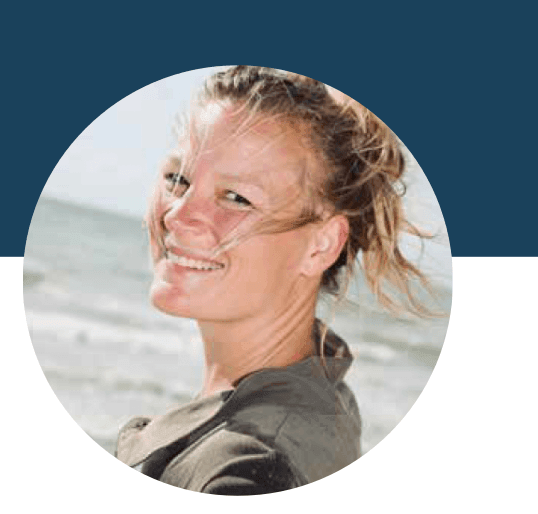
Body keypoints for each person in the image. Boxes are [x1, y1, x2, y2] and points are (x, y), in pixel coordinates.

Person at [115, 66, 431, 495]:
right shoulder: (322, 393)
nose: (177, 215)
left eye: (236, 198)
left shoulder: (245, 470)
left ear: (321, 245)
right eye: (178, 179)